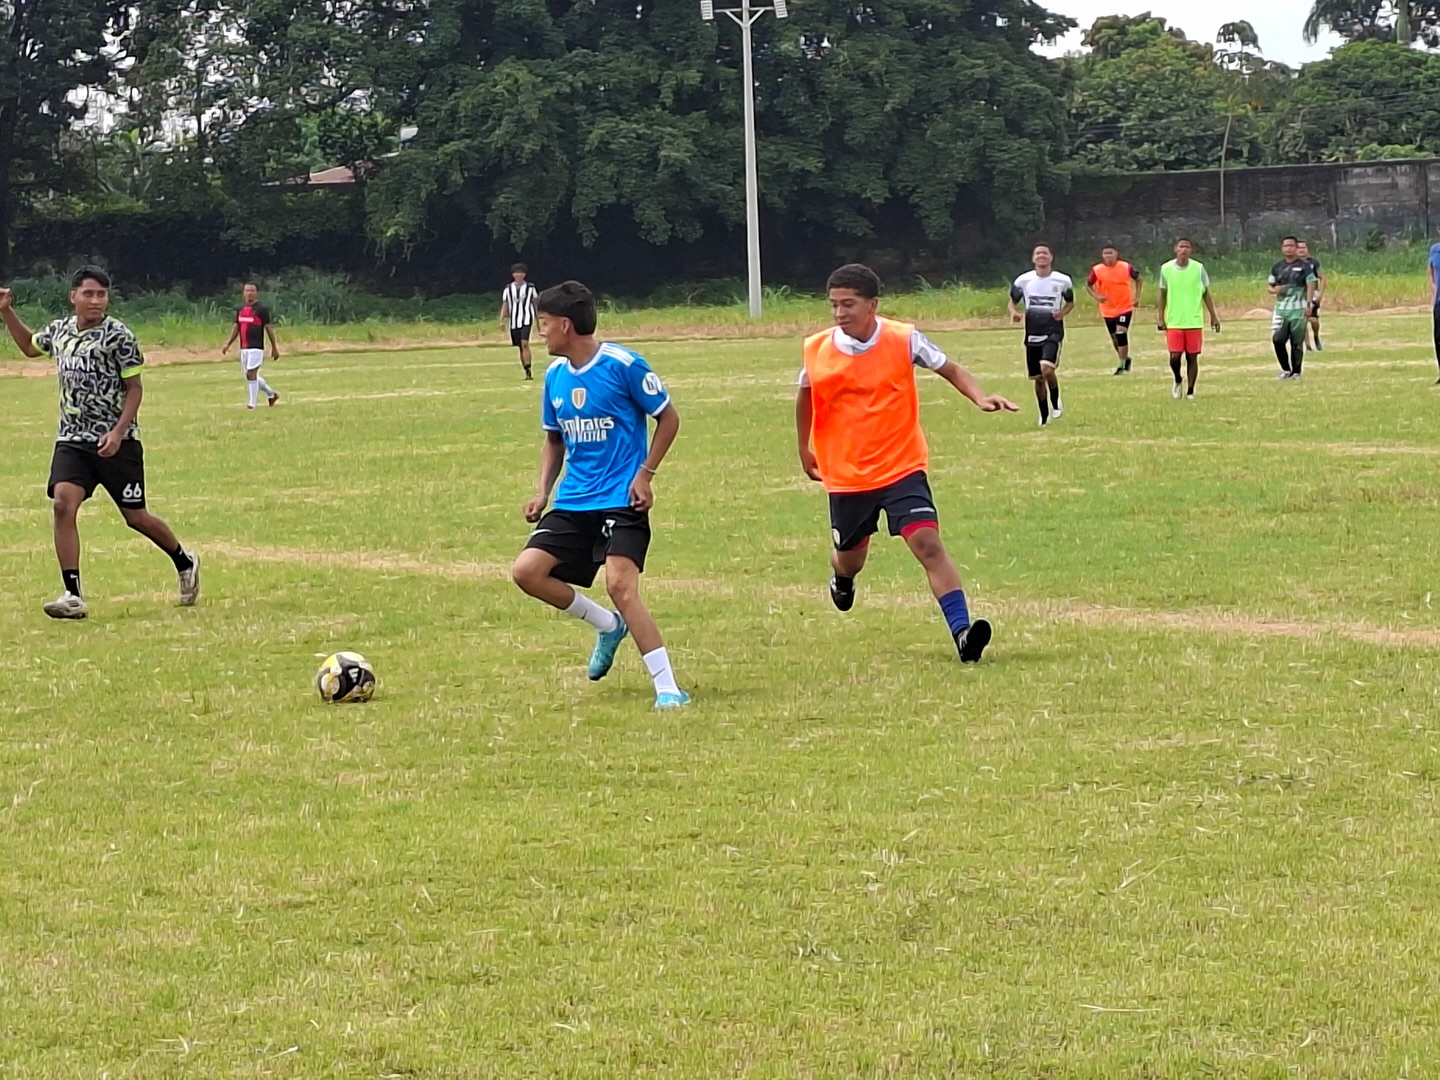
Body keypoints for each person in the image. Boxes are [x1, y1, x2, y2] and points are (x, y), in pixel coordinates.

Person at [797, 263, 1018, 663]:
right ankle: (842, 578)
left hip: (901, 466)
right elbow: (804, 398)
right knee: (851, 557)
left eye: (848, 304)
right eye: (833, 305)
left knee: (928, 545)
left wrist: (980, 397)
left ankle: (963, 634)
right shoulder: (818, 348)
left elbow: (949, 368)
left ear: (872, 305)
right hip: (847, 475)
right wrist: (803, 448)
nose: (839, 313)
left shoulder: (904, 338)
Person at [509, 280, 689, 709]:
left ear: (566, 325)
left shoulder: (623, 364)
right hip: (574, 501)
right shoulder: (554, 377)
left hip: (620, 500)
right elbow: (555, 441)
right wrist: (542, 492)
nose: (540, 332)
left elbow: (668, 419)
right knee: (527, 572)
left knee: (621, 586)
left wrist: (644, 475)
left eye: (545, 323)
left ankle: (667, 687)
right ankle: (607, 626)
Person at [0, 266, 200, 619]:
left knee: (135, 517)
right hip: (73, 440)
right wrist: (5, 311)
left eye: (101, 295)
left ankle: (184, 561)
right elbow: (31, 347)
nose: (95, 301)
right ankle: (72, 594)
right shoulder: (61, 330)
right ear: (73, 296)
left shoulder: (118, 336)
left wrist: (119, 432)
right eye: (88, 294)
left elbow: (135, 389)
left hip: (117, 441)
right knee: (63, 504)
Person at [1009, 244, 1074, 427]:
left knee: (1047, 368)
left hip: (1053, 330)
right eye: (1038, 253)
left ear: (1051, 257)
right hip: (1032, 333)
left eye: (1045, 253)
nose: (1041, 256)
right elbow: (1012, 301)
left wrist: (1063, 313)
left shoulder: (1062, 281)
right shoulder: (1023, 281)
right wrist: (1013, 312)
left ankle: (1056, 402)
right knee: (1038, 378)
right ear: (1033, 258)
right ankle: (1044, 414)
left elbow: (1070, 302)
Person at [1157, 238, 1221, 400]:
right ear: (1175, 249)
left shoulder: (1198, 268)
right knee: (1175, 356)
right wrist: (1160, 317)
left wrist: (1213, 316)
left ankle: (1191, 390)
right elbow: (1163, 295)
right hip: (1174, 320)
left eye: (1187, 247)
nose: (1184, 250)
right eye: (1181, 246)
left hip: (1193, 320)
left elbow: (1206, 293)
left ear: (1191, 250)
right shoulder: (1166, 269)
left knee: (1192, 357)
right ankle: (1178, 379)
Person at [221, 282, 280, 409]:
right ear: (243, 293)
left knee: (251, 374)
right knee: (250, 375)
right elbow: (236, 327)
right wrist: (228, 344)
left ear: (256, 293)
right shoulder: (240, 310)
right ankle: (271, 394)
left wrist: (274, 348)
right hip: (244, 348)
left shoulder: (262, 310)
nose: (249, 293)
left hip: (256, 347)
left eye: (252, 290)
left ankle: (251, 404)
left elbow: (268, 329)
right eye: (247, 290)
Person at [1086, 244, 1142, 375]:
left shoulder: (1126, 267)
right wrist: (1096, 296)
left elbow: (1139, 280)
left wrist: (1137, 297)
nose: (1108, 256)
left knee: (1121, 333)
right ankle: (1125, 359)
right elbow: (1088, 284)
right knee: (1114, 338)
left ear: (1116, 254)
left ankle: (1122, 366)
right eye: (1105, 253)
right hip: (1108, 309)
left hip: (1124, 306)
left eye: (1110, 253)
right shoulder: (1097, 270)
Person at [1268, 236, 1317, 380]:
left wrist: (1309, 304)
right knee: (1278, 340)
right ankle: (1285, 369)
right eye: (1285, 246)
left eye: (1291, 245)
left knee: (1297, 342)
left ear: (1296, 248)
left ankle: (1296, 372)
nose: (1288, 248)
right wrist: (1277, 290)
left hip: (1298, 309)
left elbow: (1311, 284)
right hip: (1281, 309)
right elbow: (1270, 287)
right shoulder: (1277, 267)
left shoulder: (1305, 266)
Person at [500, 264, 540, 380]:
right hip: (514, 321)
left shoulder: (530, 288)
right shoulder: (508, 289)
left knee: (525, 343)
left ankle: (529, 371)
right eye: (516, 273)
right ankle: (526, 369)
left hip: (527, 318)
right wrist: (502, 320)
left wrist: (539, 322)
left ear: (524, 275)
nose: (519, 275)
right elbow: (505, 304)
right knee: (520, 347)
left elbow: (535, 305)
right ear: (513, 275)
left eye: (521, 273)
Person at [1296, 240, 1326, 351]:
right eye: (1299, 248)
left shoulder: (1313, 263)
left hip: (1313, 294)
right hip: (1299, 295)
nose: (1301, 250)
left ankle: (1316, 336)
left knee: (1313, 320)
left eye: (1303, 247)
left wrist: (1320, 294)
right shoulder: (1292, 264)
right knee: (1302, 320)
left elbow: (1322, 277)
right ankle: (1308, 346)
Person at [1429, 228, 1440, 384]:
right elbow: (1430, 272)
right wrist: (1433, 289)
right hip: (1439, 301)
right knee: (1438, 337)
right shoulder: (1434, 250)